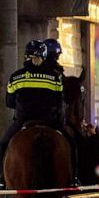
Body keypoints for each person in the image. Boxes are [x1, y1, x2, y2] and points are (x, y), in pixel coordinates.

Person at [0, 40, 65, 186]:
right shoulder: (54, 77)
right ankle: (74, 178)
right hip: (48, 121)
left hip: (22, 120)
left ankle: (1, 179)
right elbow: (59, 102)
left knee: (3, 144)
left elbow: (9, 102)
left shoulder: (16, 77)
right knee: (72, 144)